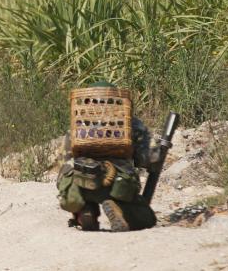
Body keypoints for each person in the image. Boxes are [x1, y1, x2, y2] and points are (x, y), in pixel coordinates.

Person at [56, 81, 160, 232]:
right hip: (118, 185)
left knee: (70, 174)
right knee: (147, 219)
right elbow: (147, 159)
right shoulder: (132, 124)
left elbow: (63, 161)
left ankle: (84, 211)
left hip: (80, 183)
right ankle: (115, 206)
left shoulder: (78, 124)